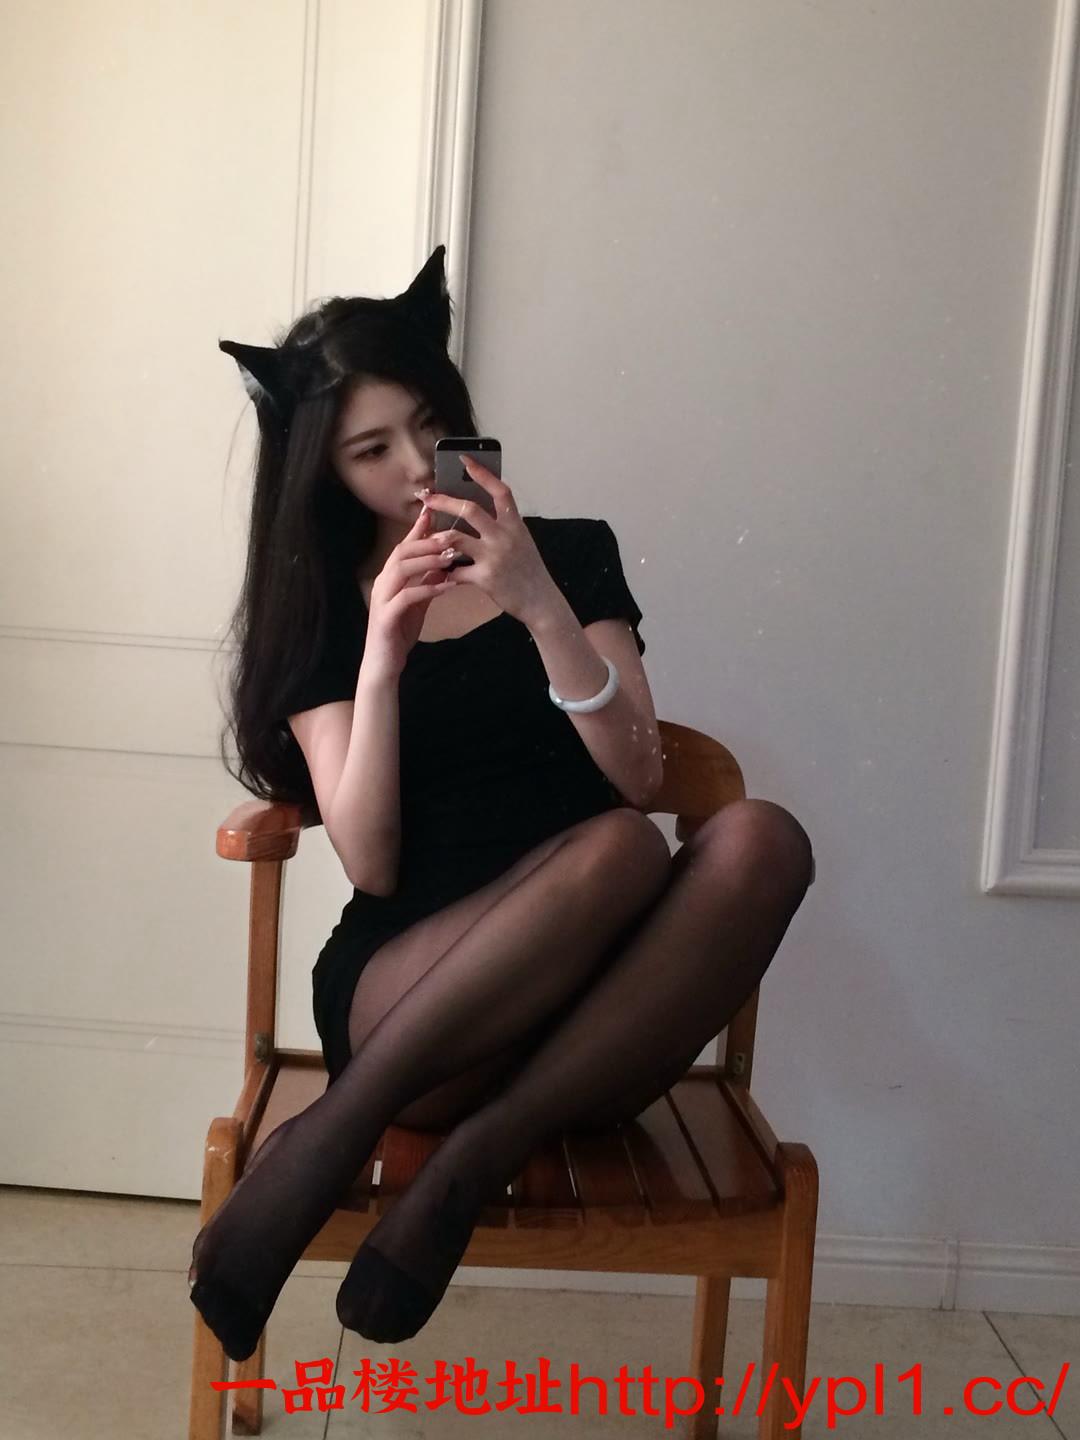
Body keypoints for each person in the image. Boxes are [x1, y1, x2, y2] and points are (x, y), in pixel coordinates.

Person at [189, 245, 816, 1360]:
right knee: (623, 849)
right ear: (323, 472)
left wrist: (537, 603)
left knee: (758, 839)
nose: (414, 467)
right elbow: (373, 865)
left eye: (430, 426)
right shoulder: (323, 611)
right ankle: (345, 1129)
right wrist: (382, 655)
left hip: (592, 1028)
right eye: (372, 451)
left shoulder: (568, 555)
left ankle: (465, 1165)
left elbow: (637, 773)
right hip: (417, 1012)